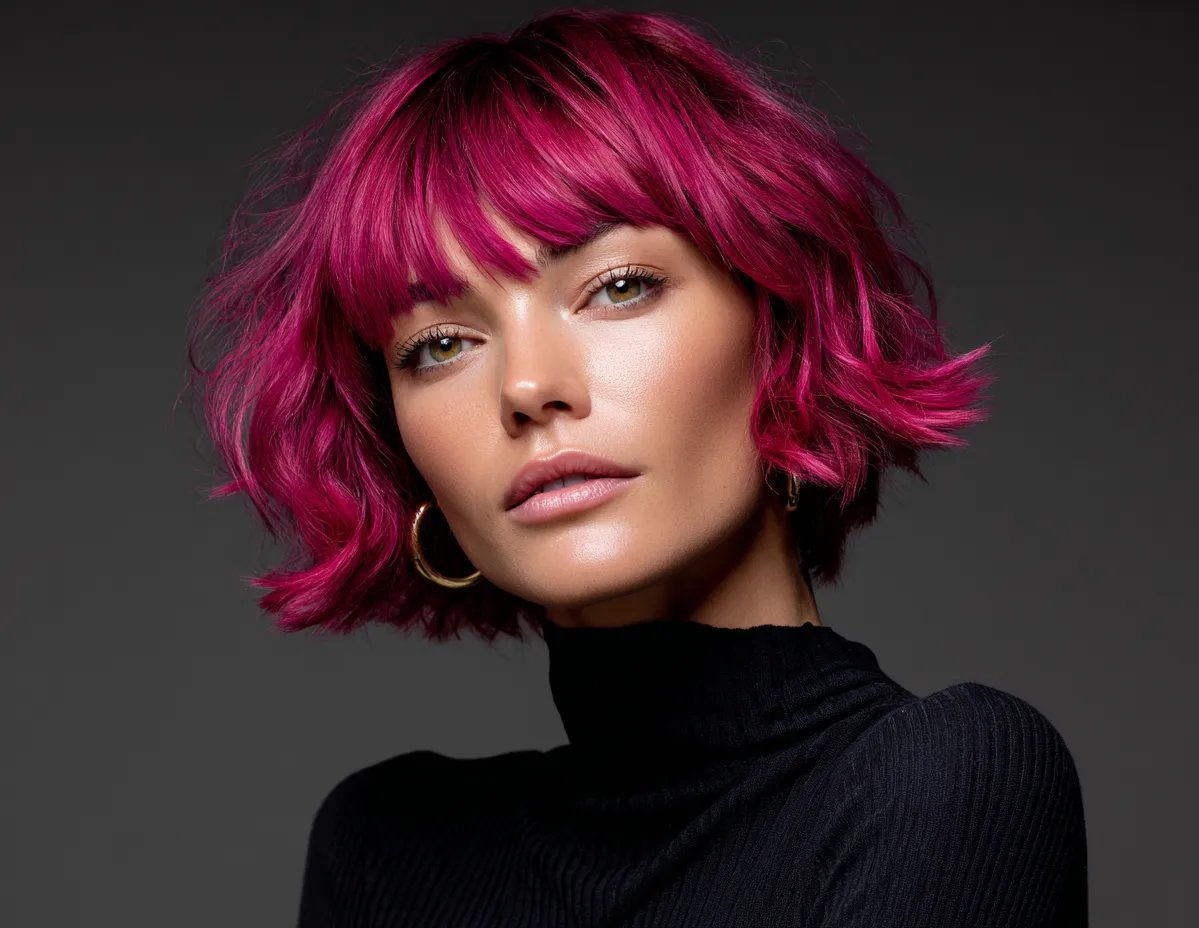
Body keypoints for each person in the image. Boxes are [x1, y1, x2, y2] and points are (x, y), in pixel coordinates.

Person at [186, 7, 1087, 926]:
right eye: (441, 344)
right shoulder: (385, 849)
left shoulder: (947, 784)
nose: (529, 387)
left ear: (779, 330)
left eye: (618, 287)